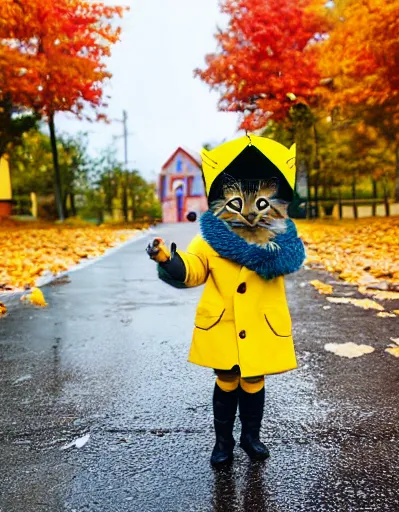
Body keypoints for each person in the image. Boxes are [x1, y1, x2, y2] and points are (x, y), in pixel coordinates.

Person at [147, 135, 305, 467]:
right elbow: (193, 269)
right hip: (224, 324)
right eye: (236, 203)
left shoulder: (279, 239)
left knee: (253, 380)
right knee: (227, 380)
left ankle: (251, 437)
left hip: (261, 324)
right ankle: (223, 441)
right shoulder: (210, 238)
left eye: (260, 203)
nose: (247, 212)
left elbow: (288, 260)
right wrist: (166, 259)